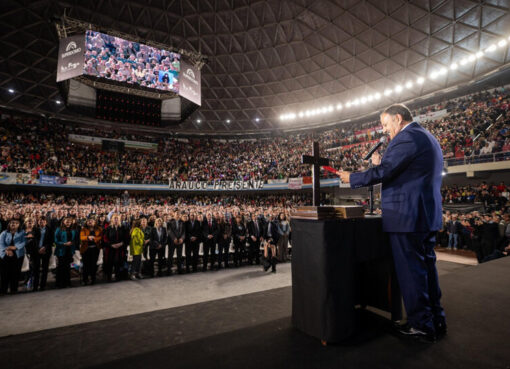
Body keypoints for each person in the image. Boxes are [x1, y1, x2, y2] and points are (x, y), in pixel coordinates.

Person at [339, 104, 446, 342]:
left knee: (412, 272)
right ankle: (436, 320)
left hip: (407, 216)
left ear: (398, 119)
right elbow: (403, 173)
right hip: (423, 215)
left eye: (386, 125)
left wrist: (352, 177)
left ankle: (422, 326)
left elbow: (386, 172)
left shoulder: (407, 137)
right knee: (427, 269)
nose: (385, 131)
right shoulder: (426, 136)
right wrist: (381, 165)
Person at [0, 218, 26, 294]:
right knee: (4, 273)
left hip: (18, 255)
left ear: (18, 225)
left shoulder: (22, 233)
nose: (13, 224)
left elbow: (24, 242)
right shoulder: (4, 233)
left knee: (15, 272)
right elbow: (1, 244)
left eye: (15, 223)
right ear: (9, 224)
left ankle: (13, 289)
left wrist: (15, 247)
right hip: (5, 255)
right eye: (11, 223)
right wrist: (7, 250)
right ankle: (3, 290)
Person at [103, 214, 128, 282]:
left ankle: (118, 276)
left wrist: (121, 243)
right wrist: (111, 245)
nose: (116, 220)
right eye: (115, 219)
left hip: (120, 249)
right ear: (112, 220)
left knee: (118, 262)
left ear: (119, 220)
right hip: (110, 249)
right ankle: (109, 277)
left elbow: (126, 238)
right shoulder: (108, 228)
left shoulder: (122, 227)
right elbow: (105, 239)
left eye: (117, 219)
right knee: (110, 263)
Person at [54, 217, 78, 288]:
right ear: (63, 222)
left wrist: (72, 243)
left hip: (69, 250)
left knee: (67, 267)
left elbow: (75, 239)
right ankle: (59, 283)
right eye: (67, 222)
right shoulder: (59, 229)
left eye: (69, 222)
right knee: (61, 267)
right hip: (61, 250)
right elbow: (55, 240)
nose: (68, 223)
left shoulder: (73, 230)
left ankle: (67, 282)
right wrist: (64, 243)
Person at [80, 216, 102, 285]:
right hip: (86, 249)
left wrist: (94, 238)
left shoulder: (99, 229)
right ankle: (85, 280)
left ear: (95, 222)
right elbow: (81, 237)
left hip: (95, 249)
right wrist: (87, 237)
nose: (90, 222)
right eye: (89, 221)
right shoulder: (83, 229)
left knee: (93, 265)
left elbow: (100, 237)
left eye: (92, 221)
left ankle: (93, 279)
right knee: (86, 265)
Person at [32, 217, 53, 291]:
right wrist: (38, 249)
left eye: (43, 221)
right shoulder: (34, 229)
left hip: (46, 251)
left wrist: (44, 247)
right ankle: (35, 286)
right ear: (38, 222)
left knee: (45, 269)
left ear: (46, 222)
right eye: (40, 221)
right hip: (36, 251)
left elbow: (51, 241)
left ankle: (42, 286)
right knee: (36, 269)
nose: (42, 223)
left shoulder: (50, 230)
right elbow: (33, 240)